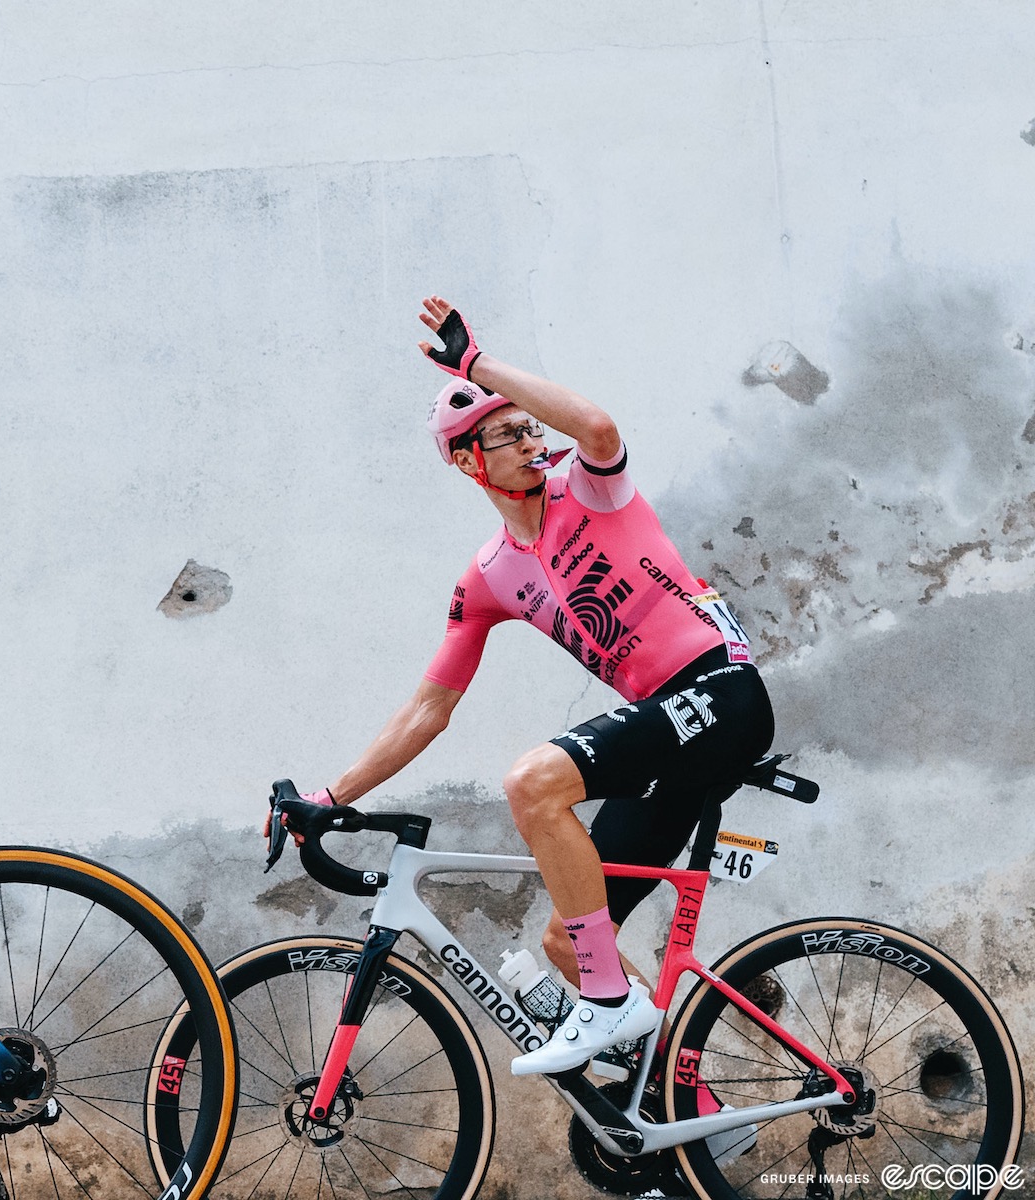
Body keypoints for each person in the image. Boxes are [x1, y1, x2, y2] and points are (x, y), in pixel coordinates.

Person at [299, 296, 771, 1077]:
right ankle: (685, 1117)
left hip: (720, 691)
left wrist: (475, 364)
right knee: (570, 941)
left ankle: (612, 1010)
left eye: (530, 427)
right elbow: (429, 708)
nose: (530, 442)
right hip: (667, 728)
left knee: (533, 782)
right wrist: (331, 797)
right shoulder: (489, 576)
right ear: (464, 459)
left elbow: (599, 430)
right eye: (507, 433)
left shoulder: (590, 491)